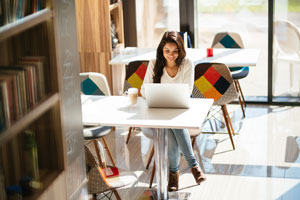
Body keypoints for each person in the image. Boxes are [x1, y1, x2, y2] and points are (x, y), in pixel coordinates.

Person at [140, 31, 206, 192]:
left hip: (180, 110)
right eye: (167, 50)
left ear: (181, 50)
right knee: (173, 126)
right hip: (157, 110)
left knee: (172, 126)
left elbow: (188, 90)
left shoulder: (187, 64)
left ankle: (173, 174)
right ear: (162, 50)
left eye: (175, 51)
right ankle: (194, 167)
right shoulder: (154, 63)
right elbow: (143, 89)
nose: (171, 55)